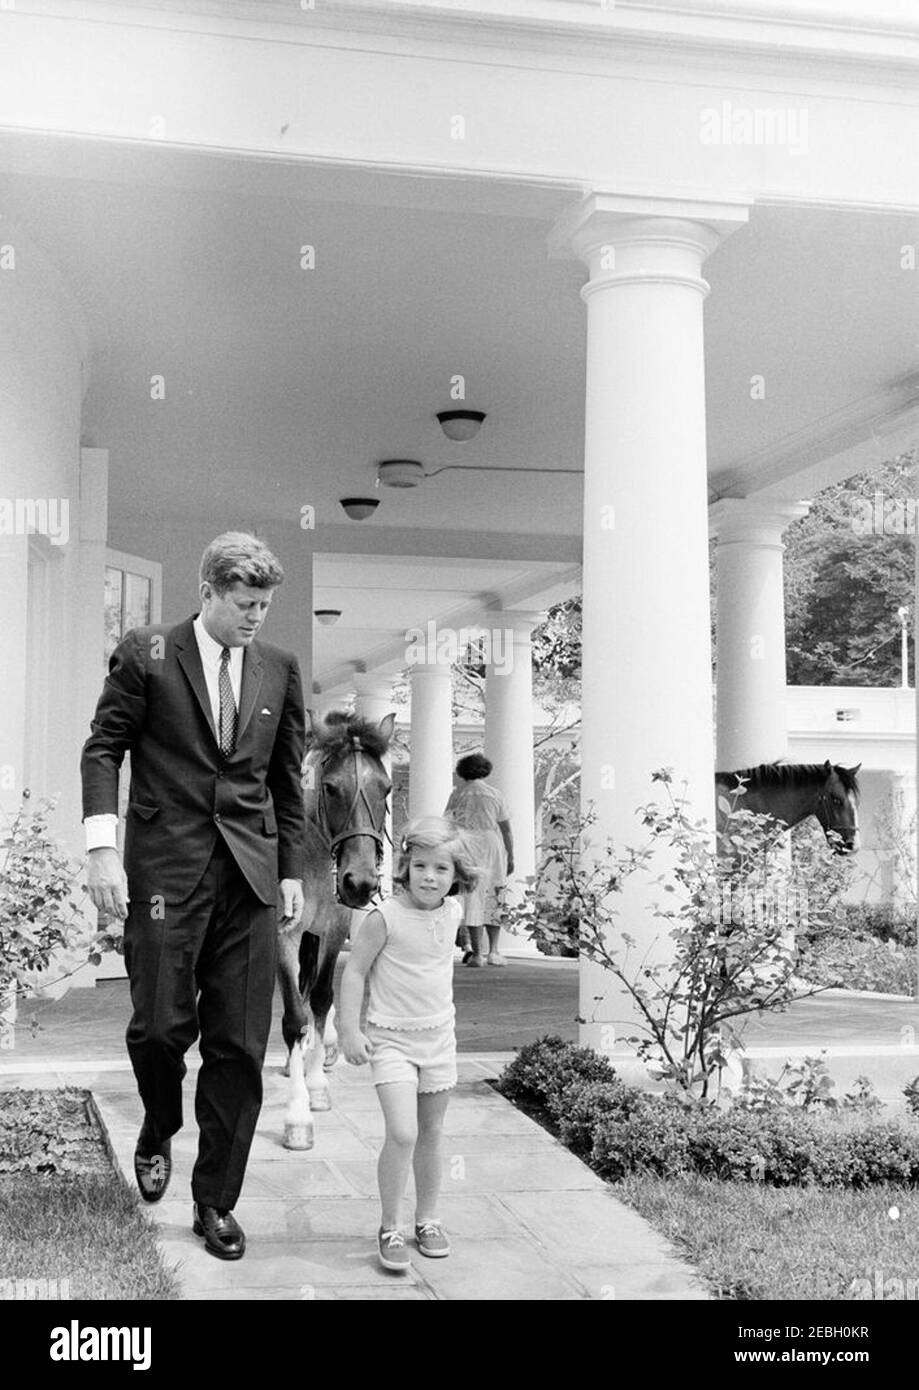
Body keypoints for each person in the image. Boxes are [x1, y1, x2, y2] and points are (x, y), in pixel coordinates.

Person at [81, 532, 306, 1261]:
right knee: (157, 1029)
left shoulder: (278, 668)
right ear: (207, 591)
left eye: (265, 605)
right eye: (244, 603)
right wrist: (102, 849)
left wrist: (293, 868)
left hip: (250, 879)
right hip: (164, 876)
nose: (255, 618)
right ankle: (157, 1122)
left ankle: (215, 1200)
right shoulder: (147, 652)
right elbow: (103, 748)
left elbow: (286, 778)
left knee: (240, 1045)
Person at [338, 816, 479, 1272]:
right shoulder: (385, 917)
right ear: (404, 866)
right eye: (420, 866)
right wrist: (349, 1029)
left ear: (455, 876)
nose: (430, 877)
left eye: (441, 869)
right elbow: (355, 970)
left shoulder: (452, 913)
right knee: (403, 1132)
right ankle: (390, 1224)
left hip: (439, 1039)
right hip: (391, 1041)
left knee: (432, 1134)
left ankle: (428, 1219)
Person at [445, 753, 514, 967]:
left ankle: (477, 954)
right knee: (495, 893)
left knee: (473, 895)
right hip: (492, 844)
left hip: (468, 843)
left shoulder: (458, 794)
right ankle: (494, 951)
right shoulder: (495, 794)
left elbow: (447, 823)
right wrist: (511, 855)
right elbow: (506, 829)